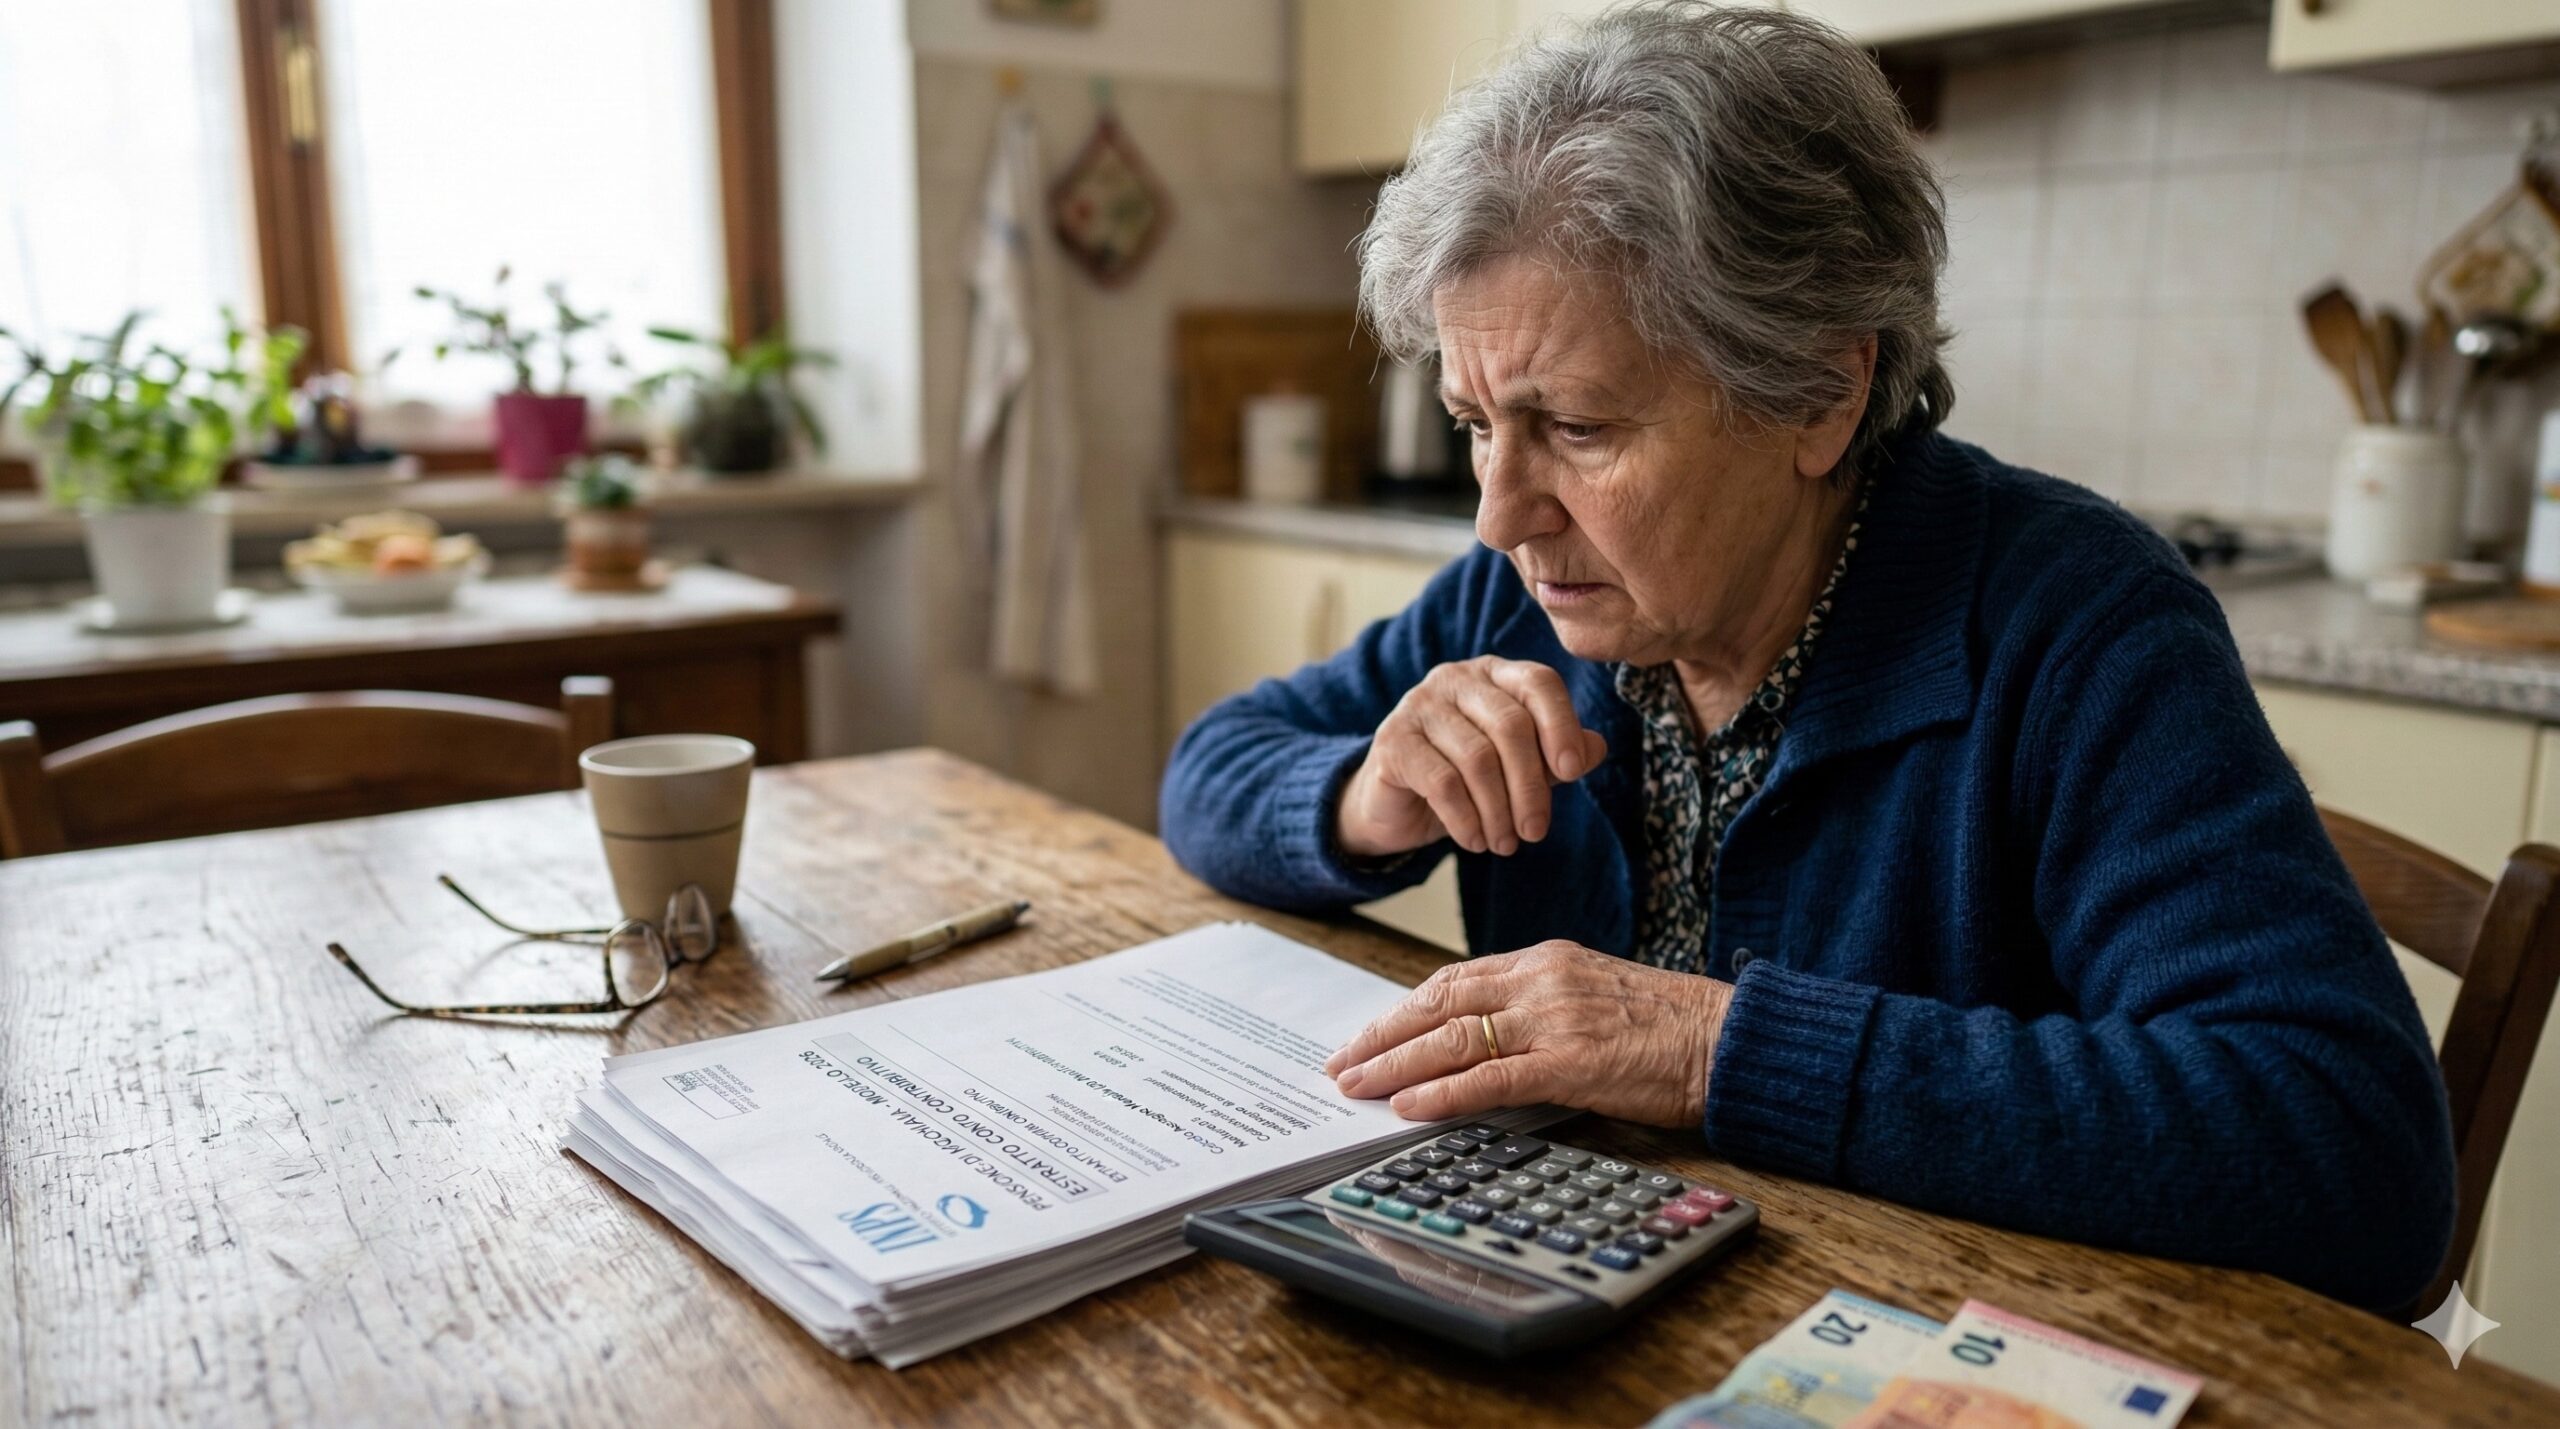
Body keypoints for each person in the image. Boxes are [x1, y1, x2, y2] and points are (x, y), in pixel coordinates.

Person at [1157, 3, 2455, 1313]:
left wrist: (1706, 1046)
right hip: (1583, 1316)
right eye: (1475, 422)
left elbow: (2355, 1150)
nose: (1501, 511)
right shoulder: (1518, 597)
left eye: (1580, 427)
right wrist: (1360, 799)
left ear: (1822, 394)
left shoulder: (2080, 627)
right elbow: (1207, 771)